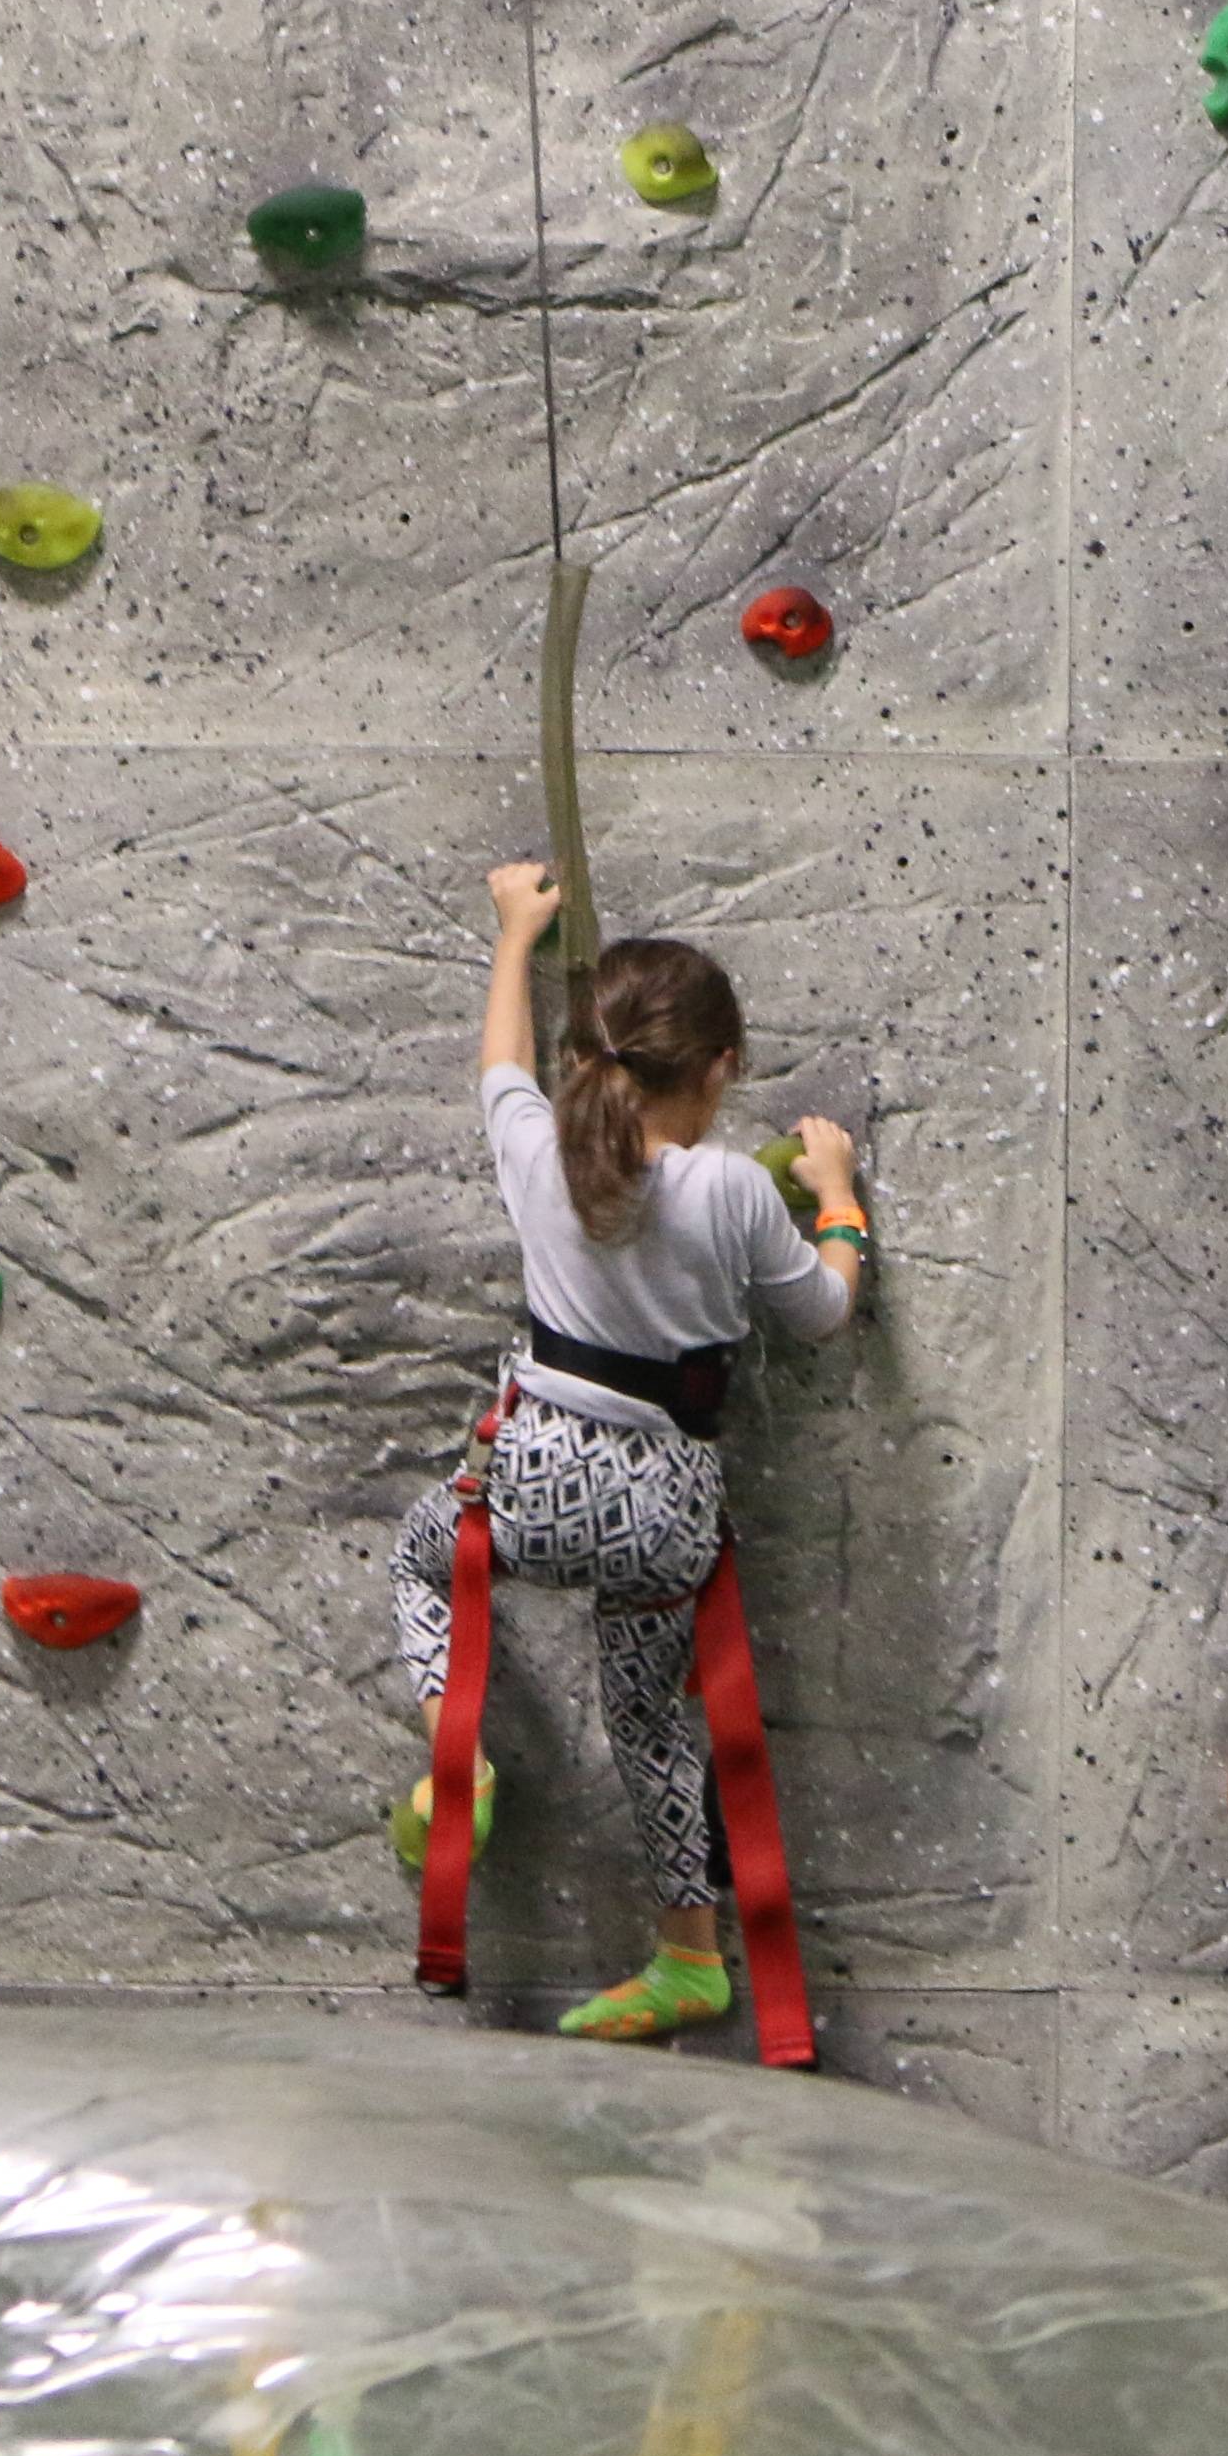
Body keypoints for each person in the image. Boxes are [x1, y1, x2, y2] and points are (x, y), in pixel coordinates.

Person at [390, 862, 861, 2043]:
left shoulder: (543, 1154)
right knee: (650, 1717)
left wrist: (515, 935)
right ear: (721, 1069)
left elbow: (497, 1068)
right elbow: (822, 1314)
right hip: (666, 1508)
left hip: (535, 1480)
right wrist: (840, 1200)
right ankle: (688, 1958)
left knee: (421, 1554)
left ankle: (467, 1757)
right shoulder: (730, 1195)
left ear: (588, 1059)